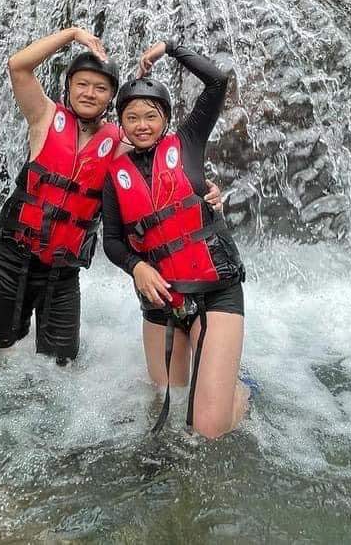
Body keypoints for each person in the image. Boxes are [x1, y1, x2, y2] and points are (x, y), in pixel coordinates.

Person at [0, 27, 223, 366]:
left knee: (61, 365)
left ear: (110, 98)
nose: (89, 93)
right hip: (13, 257)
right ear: (68, 87)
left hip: (63, 271)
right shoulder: (43, 116)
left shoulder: (117, 142)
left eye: (100, 88)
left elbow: (163, 161)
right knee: (4, 348)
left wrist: (207, 188)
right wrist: (71, 35)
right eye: (81, 84)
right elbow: (18, 66)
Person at [102, 39, 249, 438]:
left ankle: (241, 393)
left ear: (164, 119)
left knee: (208, 429)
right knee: (167, 393)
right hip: (161, 298)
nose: (142, 124)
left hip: (214, 289)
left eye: (150, 115)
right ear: (122, 125)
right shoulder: (115, 177)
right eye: (132, 118)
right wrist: (137, 267)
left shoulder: (187, 143)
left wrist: (169, 47)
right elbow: (112, 241)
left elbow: (217, 81)